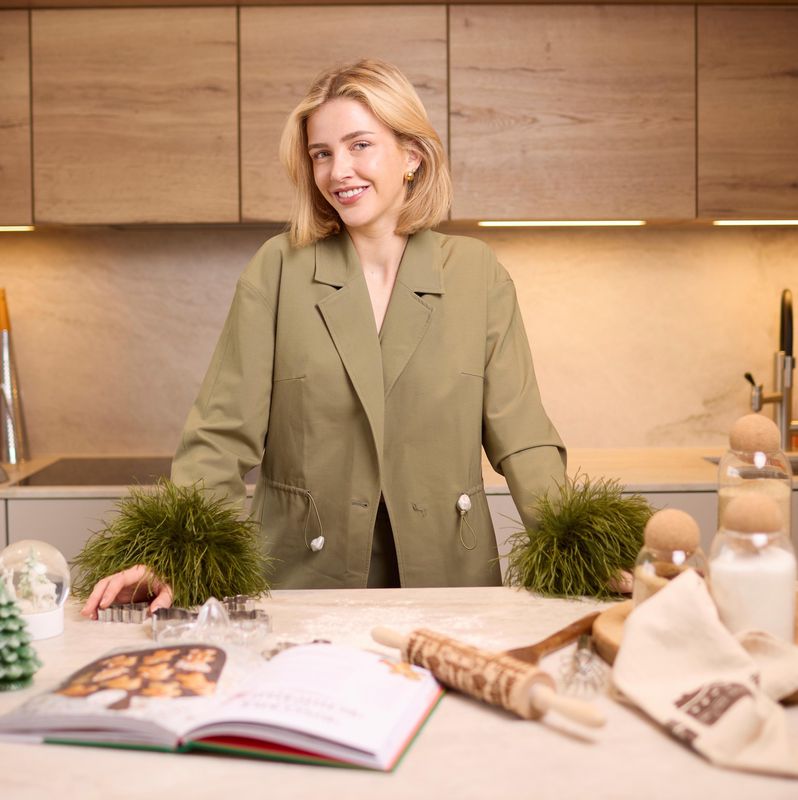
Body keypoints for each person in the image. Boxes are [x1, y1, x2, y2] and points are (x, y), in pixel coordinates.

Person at [81, 59, 566, 618]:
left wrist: (582, 548)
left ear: (412, 155)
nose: (339, 171)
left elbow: (524, 439)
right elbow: (220, 436)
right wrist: (181, 556)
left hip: (450, 588)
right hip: (300, 587)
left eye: (360, 145)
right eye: (322, 153)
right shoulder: (278, 268)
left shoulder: (477, 273)